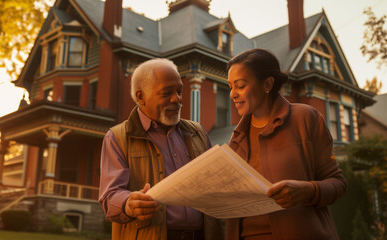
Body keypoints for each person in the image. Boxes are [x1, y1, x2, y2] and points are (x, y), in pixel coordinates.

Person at [225, 48, 347, 240]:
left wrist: (308, 190)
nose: (232, 94)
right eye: (230, 86)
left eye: (240, 86)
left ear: (267, 84)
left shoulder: (306, 118)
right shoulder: (236, 138)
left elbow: (338, 183)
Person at [99, 58, 222, 240]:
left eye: (179, 91)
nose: (177, 99)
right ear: (141, 97)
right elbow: (110, 197)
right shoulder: (117, 137)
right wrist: (128, 203)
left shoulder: (199, 133)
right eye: (167, 93)